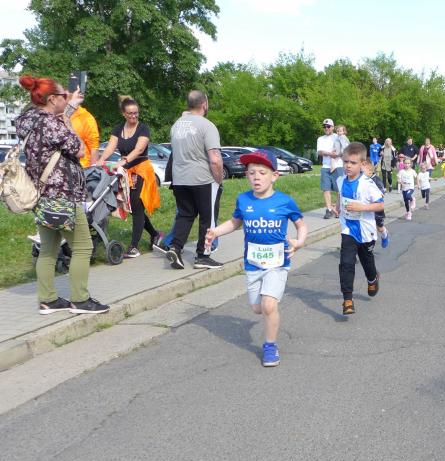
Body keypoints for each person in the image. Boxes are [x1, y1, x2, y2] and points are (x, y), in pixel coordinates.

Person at [16, 75, 109, 314]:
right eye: (63, 95)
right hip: (63, 195)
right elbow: (79, 149)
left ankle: (48, 299)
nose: (66, 98)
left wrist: (68, 109)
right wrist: (68, 118)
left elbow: (53, 133)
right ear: (51, 99)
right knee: (83, 246)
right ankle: (80, 300)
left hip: (41, 195)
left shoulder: (27, 120)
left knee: (48, 249)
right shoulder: (52, 123)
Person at [205, 150, 307, 367]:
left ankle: (270, 346)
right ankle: (270, 304)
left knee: (268, 305)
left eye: (262, 172)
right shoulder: (243, 200)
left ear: (274, 176)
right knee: (257, 308)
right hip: (253, 264)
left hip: (277, 263)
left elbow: (301, 225)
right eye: (251, 173)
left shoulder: (284, 201)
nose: (256, 177)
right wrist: (215, 232)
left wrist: (299, 242)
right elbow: (235, 222)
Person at [97, 96, 162, 258]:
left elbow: (139, 150)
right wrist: (101, 160)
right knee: (133, 207)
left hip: (141, 169)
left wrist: (123, 161)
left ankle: (134, 247)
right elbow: (110, 147)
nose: (134, 116)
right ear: (123, 114)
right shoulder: (118, 129)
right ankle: (155, 234)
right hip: (125, 171)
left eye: (136, 113)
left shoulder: (143, 128)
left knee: (136, 203)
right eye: (130, 113)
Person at [166, 90, 224, 269]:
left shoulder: (176, 126)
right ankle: (203, 255)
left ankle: (175, 247)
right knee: (208, 218)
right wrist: (218, 179)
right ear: (204, 104)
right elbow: (215, 158)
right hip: (202, 179)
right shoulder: (207, 125)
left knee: (185, 214)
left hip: (179, 179)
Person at [333, 142, 385, 315]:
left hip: (366, 230)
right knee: (346, 263)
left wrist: (361, 207)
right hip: (348, 228)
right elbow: (340, 195)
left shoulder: (367, 184)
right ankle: (347, 299)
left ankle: (373, 278)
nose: (348, 165)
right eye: (346, 161)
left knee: (366, 261)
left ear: (362, 164)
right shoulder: (340, 180)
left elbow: (380, 205)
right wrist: (338, 207)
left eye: (353, 162)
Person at [317, 118, 342, 219]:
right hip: (326, 166)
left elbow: (344, 149)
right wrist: (330, 153)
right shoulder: (320, 139)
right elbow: (320, 152)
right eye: (324, 126)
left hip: (338, 165)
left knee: (339, 189)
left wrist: (337, 154)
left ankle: (338, 208)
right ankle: (329, 210)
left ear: (332, 127)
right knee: (326, 189)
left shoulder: (338, 136)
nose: (326, 128)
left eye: (328, 126)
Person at [363, 160, 390, 247]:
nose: (360, 173)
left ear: (370, 171)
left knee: (379, 227)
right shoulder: (361, 180)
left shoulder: (376, 180)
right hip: (365, 209)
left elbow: (381, 193)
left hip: (376, 208)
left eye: (362, 171)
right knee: (367, 227)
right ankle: (368, 245)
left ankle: (384, 234)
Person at [69, 102, 99, 168]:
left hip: (81, 168)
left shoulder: (86, 117)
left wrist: (92, 171)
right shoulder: (54, 113)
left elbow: (94, 148)